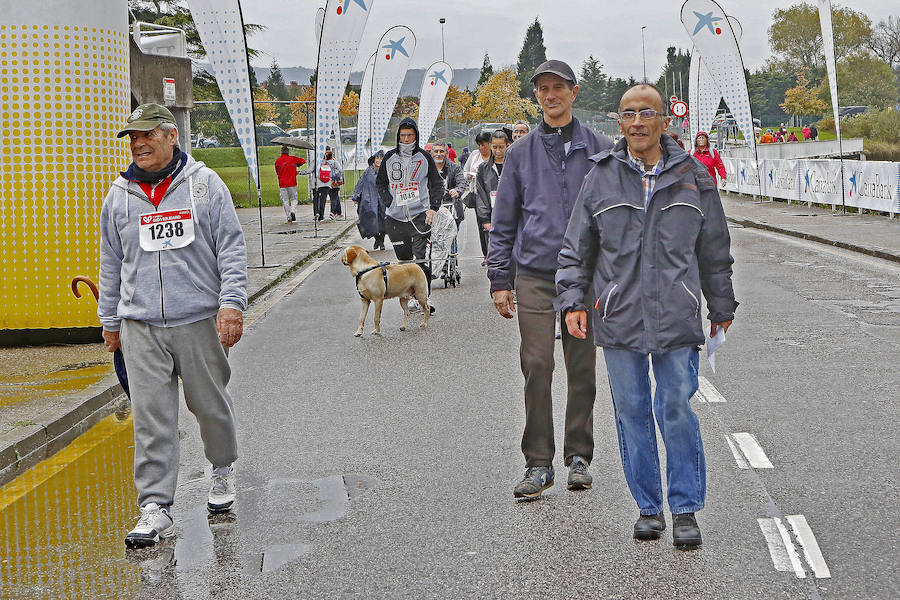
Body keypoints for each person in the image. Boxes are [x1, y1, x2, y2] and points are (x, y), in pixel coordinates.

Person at [556, 83, 738, 549]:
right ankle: (648, 508)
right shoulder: (600, 177)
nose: (637, 122)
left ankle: (685, 507)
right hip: (617, 316)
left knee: (674, 408)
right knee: (632, 411)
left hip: (676, 314)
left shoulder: (694, 176)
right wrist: (574, 301)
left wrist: (721, 306)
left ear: (664, 121)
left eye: (647, 113)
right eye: (628, 114)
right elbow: (577, 247)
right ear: (620, 122)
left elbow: (714, 249)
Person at [98, 104, 247, 549]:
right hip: (139, 323)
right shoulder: (119, 195)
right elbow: (111, 263)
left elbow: (232, 248)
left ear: (172, 136)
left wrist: (231, 304)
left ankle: (221, 471)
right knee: (151, 417)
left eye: (147, 135)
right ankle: (156, 506)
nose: (138, 144)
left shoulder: (204, 185)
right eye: (132, 138)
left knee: (209, 404)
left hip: (197, 318)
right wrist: (110, 321)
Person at [488, 60, 614, 499]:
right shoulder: (520, 154)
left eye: (558, 87)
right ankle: (538, 463)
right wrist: (499, 278)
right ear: (536, 96)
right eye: (543, 89)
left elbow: (613, 218)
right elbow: (503, 222)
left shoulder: (599, 148)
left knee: (583, 366)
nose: (550, 95)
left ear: (573, 92)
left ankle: (579, 455)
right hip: (536, 275)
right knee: (537, 364)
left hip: (583, 277)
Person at [376, 117, 445, 309]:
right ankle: (409, 296)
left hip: (419, 215)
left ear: (416, 136)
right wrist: (389, 201)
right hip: (395, 218)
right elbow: (380, 182)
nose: (406, 139)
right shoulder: (389, 157)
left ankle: (424, 298)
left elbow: (437, 183)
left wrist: (433, 207)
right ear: (398, 136)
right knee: (404, 262)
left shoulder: (424, 157)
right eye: (403, 135)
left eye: (410, 135)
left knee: (420, 258)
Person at [474, 130, 509, 264]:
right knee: (494, 255)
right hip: (492, 215)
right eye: (494, 147)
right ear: (490, 146)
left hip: (510, 214)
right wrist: (485, 219)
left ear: (507, 146)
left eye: (501, 147)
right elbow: (481, 195)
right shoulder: (483, 168)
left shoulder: (513, 165)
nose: (498, 150)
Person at [462, 132, 493, 264]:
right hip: (477, 195)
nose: (481, 148)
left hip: (493, 195)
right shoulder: (474, 155)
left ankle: (495, 252)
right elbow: (464, 171)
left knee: (494, 224)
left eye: (484, 145)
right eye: (479, 145)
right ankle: (486, 254)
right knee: (482, 225)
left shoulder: (494, 155)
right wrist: (469, 175)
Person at [352, 150, 386, 250]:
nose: (379, 160)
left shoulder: (386, 171)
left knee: (384, 222)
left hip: (383, 201)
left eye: (381, 158)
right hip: (370, 200)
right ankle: (377, 239)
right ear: (374, 159)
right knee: (371, 222)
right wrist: (356, 196)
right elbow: (360, 184)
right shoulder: (368, 171)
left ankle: (382, 241)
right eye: (377, 158)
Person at [274, 145, 307, 223]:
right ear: (288, 152)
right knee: (294, 199)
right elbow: (303, 161)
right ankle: (293, 211)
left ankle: (289, 217)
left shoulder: (278, 161)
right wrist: (297, 165)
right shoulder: (293, 158)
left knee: (285, 200)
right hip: (292, 182)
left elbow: (277, 172)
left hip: (282, 184)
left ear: (281, 152)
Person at [314, 146, 344, 221]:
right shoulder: (334, 162)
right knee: (334, 198)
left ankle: (322, 213)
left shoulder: (322, 162)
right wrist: (337, 176)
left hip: (326, 183)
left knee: (327, 198)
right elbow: (340, 170)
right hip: (334, 182)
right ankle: (332, 213)